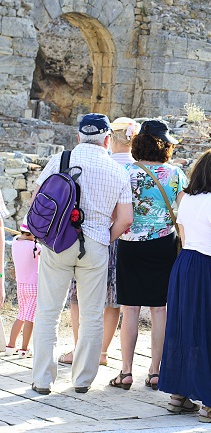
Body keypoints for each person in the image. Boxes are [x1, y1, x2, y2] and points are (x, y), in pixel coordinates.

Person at [31, 113, 134, 395]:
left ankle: (42, 379)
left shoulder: (61, 160)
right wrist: (103, 238)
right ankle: (82, 380)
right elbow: (125, 219)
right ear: (107, 139)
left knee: (48, 312)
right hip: (96, 245)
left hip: (57, 244)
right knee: (91, 315)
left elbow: (36, 201)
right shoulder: (117, 170)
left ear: (78, 136)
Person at [159, 149, 211, 423]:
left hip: (184, 264)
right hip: (206, 265)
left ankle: (178, 396)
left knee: (183, 327)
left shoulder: (188, 200)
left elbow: (183, 237)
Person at [110, 120, 187, 392]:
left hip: (130, 243)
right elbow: (185, 211)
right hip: (164, 244)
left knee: (129, 309)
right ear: (166, 146)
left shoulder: (125, 172)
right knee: (159, 309)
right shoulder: (175, 174)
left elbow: (115, 210)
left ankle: (126, 371)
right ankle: (155, 371)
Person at [59, 117, 141, 367]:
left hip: (89, 235)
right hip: (119, 238)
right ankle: (102, 351)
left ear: (110, 139)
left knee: (78, 296)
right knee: (111, 297)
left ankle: (78, 349)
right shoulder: (135, 168)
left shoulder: (102, 162)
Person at [7, 220, 41, 357]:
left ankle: (10, 346)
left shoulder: (15, 242)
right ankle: (24, 349)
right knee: (30, 318)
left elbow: (21, 238)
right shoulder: (35, 246)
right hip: (34, 285)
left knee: (21, 315)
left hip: (20, 284)